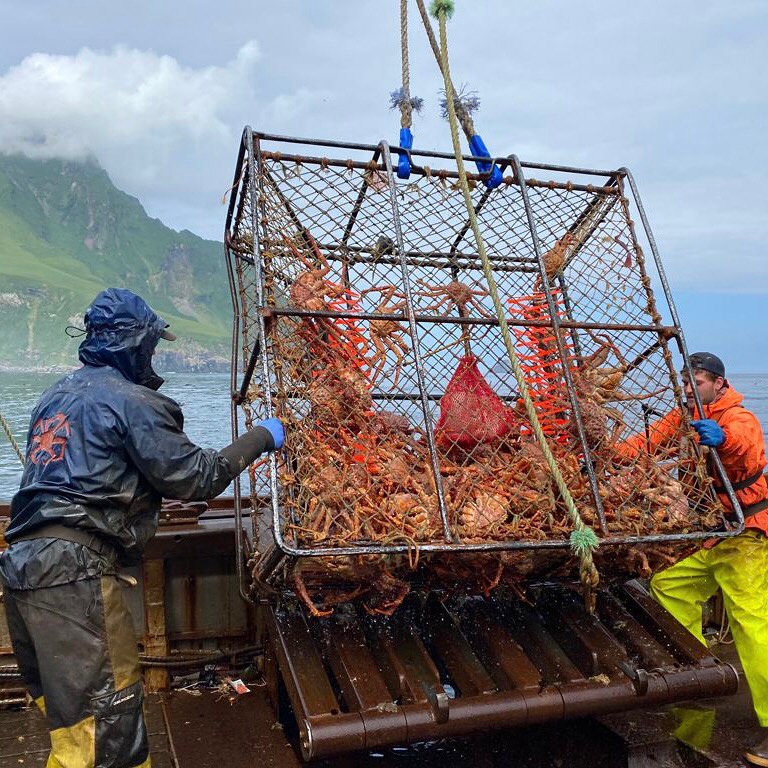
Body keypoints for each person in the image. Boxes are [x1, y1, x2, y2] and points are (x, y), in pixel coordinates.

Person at [0, 288, 284, 768]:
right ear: (134, 344)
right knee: (106, 731)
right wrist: (263, 436)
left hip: (22, 569)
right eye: (151, 344)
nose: (154, 354)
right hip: (73, 574)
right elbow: (198, 479)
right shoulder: (133, 401)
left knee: (69, 722)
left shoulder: (54, 397)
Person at [618, 352, 768, 766]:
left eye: (697, 383)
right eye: (684, 383)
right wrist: (603, 455)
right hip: (711, 537)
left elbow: (747, 447)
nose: (688, 390)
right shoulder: (682, 417)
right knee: (668, 584)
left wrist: (722, 439)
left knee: (753, 624)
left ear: (719, 383)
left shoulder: (737, 418)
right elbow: (642, 445)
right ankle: (705, 668)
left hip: (746, 536)